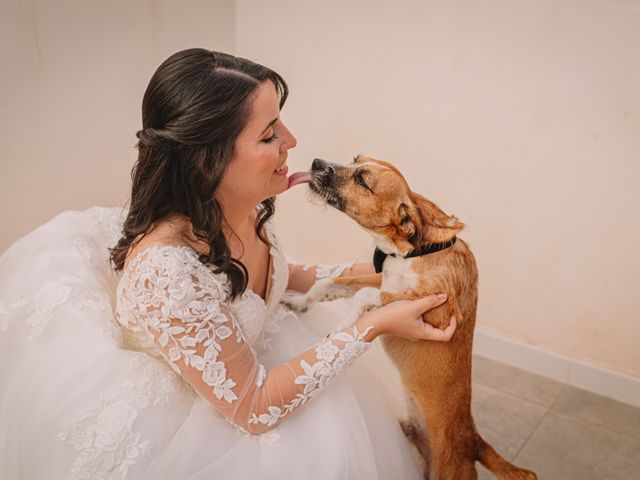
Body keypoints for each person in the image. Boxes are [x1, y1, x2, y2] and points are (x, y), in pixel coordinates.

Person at [0, 48, 456, 480]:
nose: (291, 142)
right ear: (207, 161)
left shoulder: (240, 204)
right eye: (269, 134)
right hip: (219, 411)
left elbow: (281, 277)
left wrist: (392, 273)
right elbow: (254, 407)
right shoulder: (168, 276)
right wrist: (371, 324)